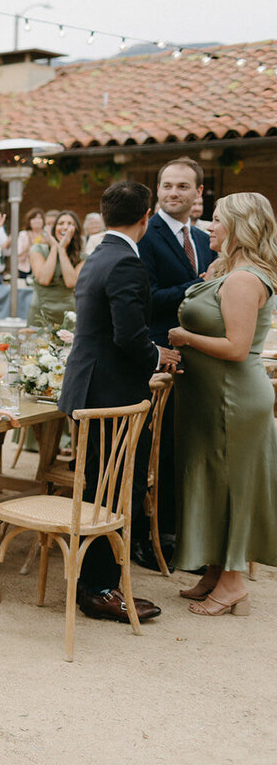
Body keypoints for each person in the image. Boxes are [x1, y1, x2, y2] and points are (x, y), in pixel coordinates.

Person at [59, 180, 179, 623]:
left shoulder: (98, 254)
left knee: (98, 486)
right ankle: (100, 589)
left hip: (91, 386)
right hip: (110, 394)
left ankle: (91, 582)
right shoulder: (127, 262)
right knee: (112, 490)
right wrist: (157, 355)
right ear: (146, 216)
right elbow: (129, 335)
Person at [167, 192, 277, 616]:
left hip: (234, 398)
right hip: (209, 397)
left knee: (232, 485)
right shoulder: (226, 271)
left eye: (216, 219)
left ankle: (233, 584)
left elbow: (236, 347)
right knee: (212, 481)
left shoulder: (244, 280)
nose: (208, 225)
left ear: (239, 226)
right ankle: (214, 570)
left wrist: (184, 337)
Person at [137, 157, 216, 569]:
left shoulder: (204, 241)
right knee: (160, 451)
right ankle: (155, 539)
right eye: (166, 185)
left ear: (198, 193)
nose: (172, 193)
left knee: (189, 449)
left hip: (201, 360)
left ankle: (187, 533)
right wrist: (197, 286)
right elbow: (147, 300)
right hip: (160, 359)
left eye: (182, 186)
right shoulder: (146, 236)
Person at [27, 210, 85, 328]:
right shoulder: (38, 249)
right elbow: (43, 279)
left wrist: (62, 250)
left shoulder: (83, 257)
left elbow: (71, 282)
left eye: (70, 224)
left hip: (69, 314)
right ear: (54, 228)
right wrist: (54, 247)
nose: (65, 227)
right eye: (61, 223)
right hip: (40, 311)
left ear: (76, 230)